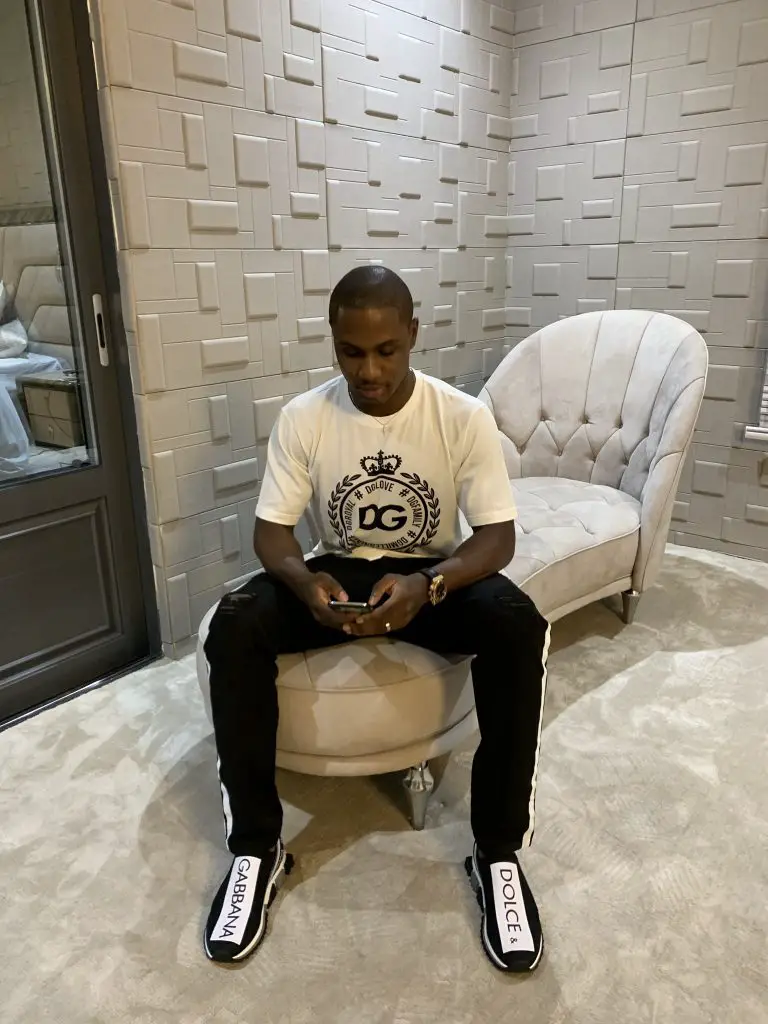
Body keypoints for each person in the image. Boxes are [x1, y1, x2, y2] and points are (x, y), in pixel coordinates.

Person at [202, 266, 551, 973]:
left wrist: (430, 584)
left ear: (413, 334)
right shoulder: (305, 417)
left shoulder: (461, 416)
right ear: (332, 342)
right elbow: (272, 534)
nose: (369, 370)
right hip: (338, 573)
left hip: (430, 580)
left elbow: (496, 539)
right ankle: (257, 850)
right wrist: (305, 583)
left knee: (518, 623)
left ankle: (498, 853)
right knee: (235, 624)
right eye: (351, 352)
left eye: (387, 350)